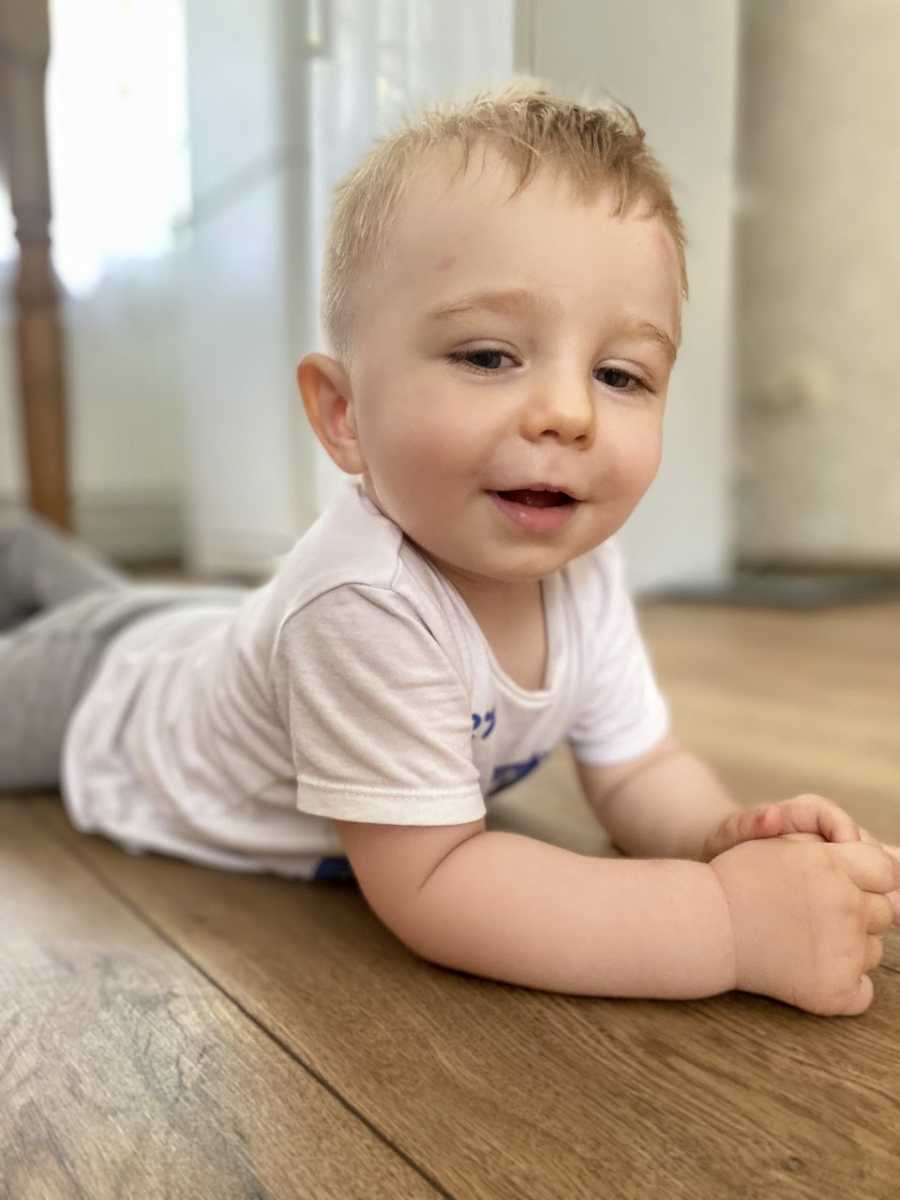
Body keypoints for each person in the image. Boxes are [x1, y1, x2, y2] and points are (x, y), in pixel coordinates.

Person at [3, 80, 898, 1016]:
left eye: (619, 373)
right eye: (487, 356)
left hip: (214, 635)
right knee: (76, 626)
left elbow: (638, 769)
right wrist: (723, 922)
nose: (567, 412)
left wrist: (723, 837)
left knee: (84, 589)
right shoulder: (359, 607)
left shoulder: (580, 565)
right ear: (345, 415)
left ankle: (25, 551)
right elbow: (439, 884)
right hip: (103, 694)